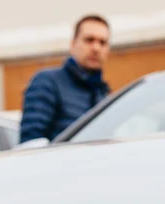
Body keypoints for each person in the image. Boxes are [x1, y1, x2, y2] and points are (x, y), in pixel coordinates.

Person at [18, 14, 111, 143]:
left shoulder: (103, 95)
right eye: (89, 40)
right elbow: (31, 143)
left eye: (102, 42)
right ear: (73, 44)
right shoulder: (47, 82)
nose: (96, 48)